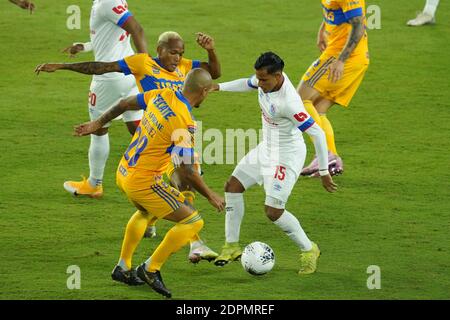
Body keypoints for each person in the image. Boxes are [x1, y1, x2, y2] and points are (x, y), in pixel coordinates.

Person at [36, 31, 221, 262]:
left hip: (181, 130)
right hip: (159, 132)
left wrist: (210, 49)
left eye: (181, 53)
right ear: (159, 49)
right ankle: (168, 246)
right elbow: (102, 67)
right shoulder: (142, 62)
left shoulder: (186, 67)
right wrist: (63, 66)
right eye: (173, 52)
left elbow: (212, 74)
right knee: (174, 181)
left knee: (183, 182)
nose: (177, 58)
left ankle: (192, 242)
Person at [74, 68, 225, 298]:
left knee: (147, 213)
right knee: (193, 221)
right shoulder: (184, 122)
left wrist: (98, 122)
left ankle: (123, 268)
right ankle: (150, 269)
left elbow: (125, 103)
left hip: (124, 170)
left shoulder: (163, 94)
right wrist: (211, 194)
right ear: (204, 91)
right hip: (144, 181)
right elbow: (186, 170)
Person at [212, 52, 338, 275]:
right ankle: (231, 246)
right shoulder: (264, 81)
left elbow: (317, 134)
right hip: (267, 148)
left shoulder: (289, 103)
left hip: (287, 155)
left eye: (263, 80)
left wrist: (323, 170)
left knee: (273, 211)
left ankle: (309, 250)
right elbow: (247, 83)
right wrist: (218, 87)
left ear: (278, 76)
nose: (259, 84)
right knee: (232, 186)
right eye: (258, 78)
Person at [35, 0, 148, 200]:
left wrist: (148, 68)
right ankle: (167, 166)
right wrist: (85, 46)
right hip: (129, 74)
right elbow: (116, 36)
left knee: (98, 130)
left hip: (109, 79)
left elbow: (137, 29)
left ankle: (94, 184)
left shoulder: (106, 2)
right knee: (137, 128)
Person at [297, 0, 369, 177]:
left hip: (342, 57)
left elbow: (358, 24)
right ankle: (331, 158)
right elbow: (333, 10)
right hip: (344, 55)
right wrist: (323, 29)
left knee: (299, 100)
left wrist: (341, 60)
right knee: (318, 109)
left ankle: (325, 154)